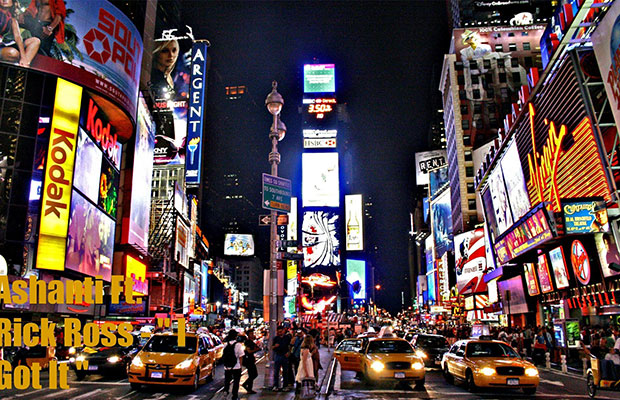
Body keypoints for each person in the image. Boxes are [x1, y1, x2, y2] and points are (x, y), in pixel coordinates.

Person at [0, 0, 40, 66]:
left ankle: (24, 66)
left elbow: (18, 37)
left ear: (13, 2)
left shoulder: (12, 19)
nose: (4, 0)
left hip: (3, 45)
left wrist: (23, 57)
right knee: (13, 53)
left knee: (35, 41)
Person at [222, 330, 244, 400]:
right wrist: (240, 367)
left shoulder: (225, 345)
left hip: (227, 367)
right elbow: (241, 357)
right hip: (236, 367)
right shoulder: (238, 345)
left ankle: (225, 391)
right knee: (236, 382)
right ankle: (234, 396)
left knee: (227, 380)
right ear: (235, 336)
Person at [272, 326, 291, 391]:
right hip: (278, 355)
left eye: (281, 331)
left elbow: (290, 346)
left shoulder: (287, 338)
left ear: (283, 331)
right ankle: (275, 385)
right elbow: (272, 347)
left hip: (284, 355)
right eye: (279, 332)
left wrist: (288, 353)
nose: (280, 333)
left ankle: (285, 386)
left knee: (285, 371)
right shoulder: (276, 338)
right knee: (276, 371)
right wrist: (275, 346)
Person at [241, 329, 259, 394]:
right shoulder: (248, 342)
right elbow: (249, 351)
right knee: (253, 374)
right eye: (251, 334)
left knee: (252, 374)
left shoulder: (251, 341)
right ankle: (247, 386)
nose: (252, 335)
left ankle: (249, 388)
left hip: (250, 360)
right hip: (248, 360)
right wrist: (256, 349)